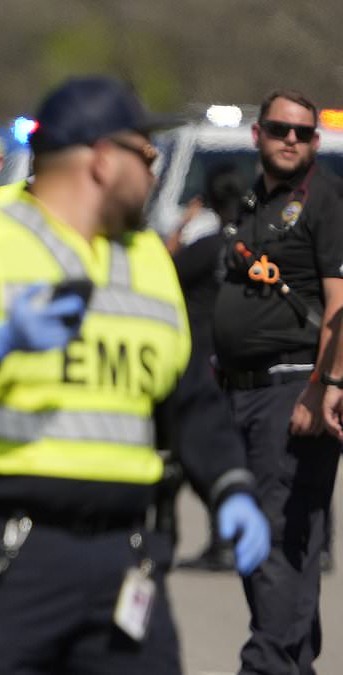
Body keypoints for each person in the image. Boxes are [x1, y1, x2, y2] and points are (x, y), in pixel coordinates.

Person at [0, 75, 269, 675]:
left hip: (123, 559)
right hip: (4, 558)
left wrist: (230, 486)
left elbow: (189, 400)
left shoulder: (148, 262)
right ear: (103, 160)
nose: (156, 167)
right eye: (146, 153)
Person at [216, 89, 343, 675]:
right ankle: (293, 663)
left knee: (283, 543)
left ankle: (264, 664)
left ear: (316, 141)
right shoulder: (250, 201)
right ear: (258, 135)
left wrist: (325, 386)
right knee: (256, 542)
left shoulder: (325, 201)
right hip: (237, 392)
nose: (291, 139)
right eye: (279, 128)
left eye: (303, 132)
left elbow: (342, 302)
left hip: (294, 388)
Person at [166, 165, 245, 572]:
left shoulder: (205, 248)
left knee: (189, 454)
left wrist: (181, 227)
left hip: (199, 365)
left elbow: (162, 274)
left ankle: (217, 542)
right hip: (243, 363)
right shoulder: (252, 249)